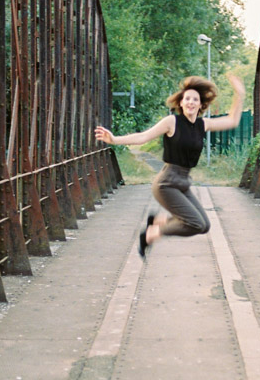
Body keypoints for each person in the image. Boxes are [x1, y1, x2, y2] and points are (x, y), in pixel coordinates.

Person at [95, 72, 246, 256]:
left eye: (195, 99)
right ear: (181, 103)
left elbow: (232, 120)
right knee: (195, 223)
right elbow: (143, 136)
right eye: (187, 98)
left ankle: (158, 221)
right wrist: (114, 139)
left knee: (204, 225)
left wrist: (240, 95)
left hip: (183, 182)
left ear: (201, 105)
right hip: (166, 183)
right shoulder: (172, 122)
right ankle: (153, 233)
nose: (190, 102)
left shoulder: (202, 124)